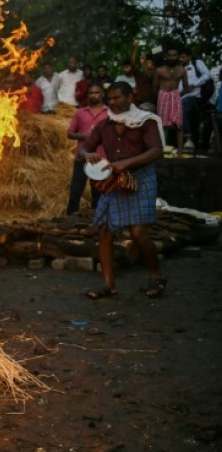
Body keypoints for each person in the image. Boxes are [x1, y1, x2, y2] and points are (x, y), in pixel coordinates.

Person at [79, 82, 165, 299]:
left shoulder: (145, 122)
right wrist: (87, 154)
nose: (112, 102)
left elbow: (156, 151)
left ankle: (156, 275)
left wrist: (126, 163)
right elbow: (84, 148)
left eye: (117, 98)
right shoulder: (104, 125)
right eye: (111, 99)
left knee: (138, 233)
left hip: (141, 179)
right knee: (105, 232)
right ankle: (109, 285)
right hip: (113, 180)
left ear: (130, 97)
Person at [66, 84, 108, 214]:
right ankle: (70, 220)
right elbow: (69, 133)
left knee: (98, 192)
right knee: (75, 191)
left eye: (96, 92)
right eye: (90, 93)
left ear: (102, 94)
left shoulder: (110, 113)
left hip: (101, 158)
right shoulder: (80, 113)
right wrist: (82, 136)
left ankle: (96, 221)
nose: (93, 95)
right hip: (82, 157)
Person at [154, 47, 188, 149]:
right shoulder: (160, 70)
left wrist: (176, 96)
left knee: (178, 125)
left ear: (177, 56)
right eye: (170, 55)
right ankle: (161, 151)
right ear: (166, 57)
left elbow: (186, 88)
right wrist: (161, 96)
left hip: (175, 96)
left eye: (174, 55)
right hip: (163, 96)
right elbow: (154, 87)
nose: (172, 57)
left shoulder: (182, 70)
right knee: (162, 124)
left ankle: (179, 153)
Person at [179, 47, 210, 153]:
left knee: (182, 110)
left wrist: (194, 85)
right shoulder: (178, 68)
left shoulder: (197, 63)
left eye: (183, 57)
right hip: (180, 96)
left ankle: (189, 139)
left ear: (189, 57)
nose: (181, 59)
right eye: (180, 57)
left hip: (193, 95)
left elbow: (207, 75)